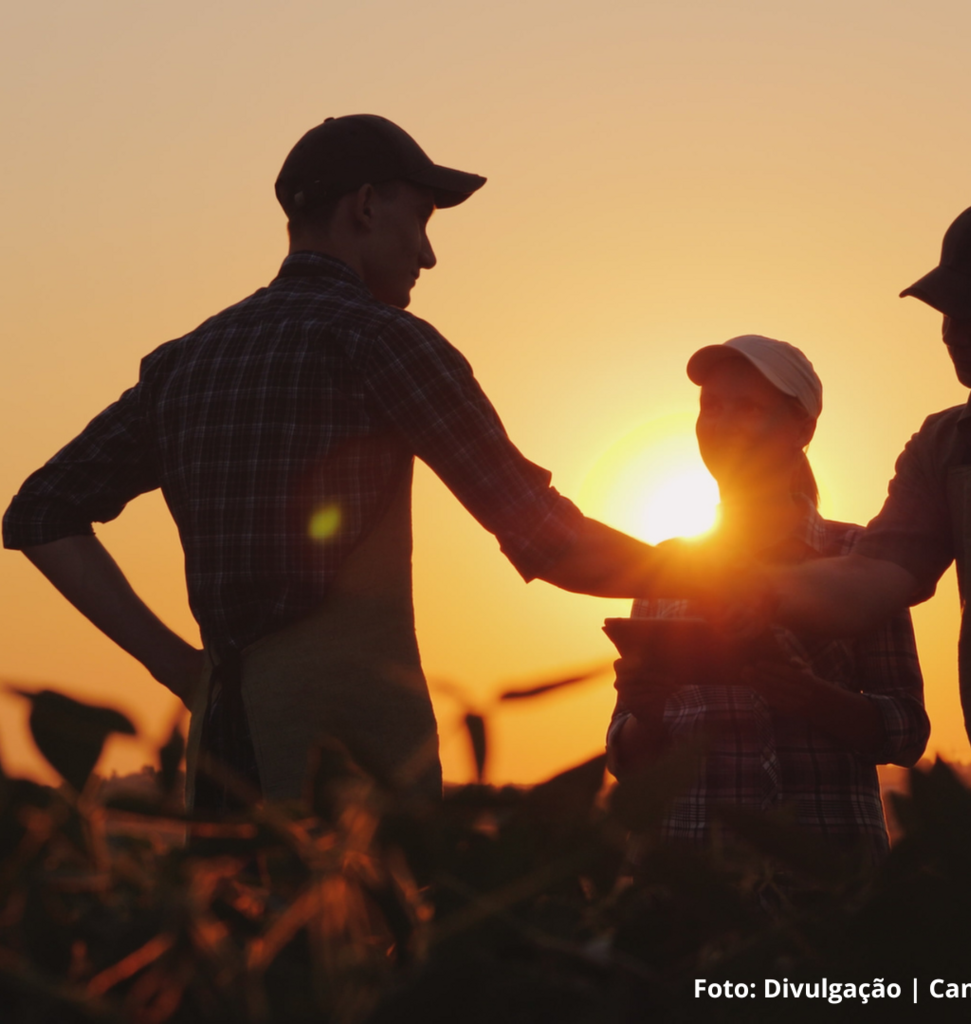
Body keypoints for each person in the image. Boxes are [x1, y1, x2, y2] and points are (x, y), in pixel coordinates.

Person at [2, 114, 686, 811]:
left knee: (232, 921)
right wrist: (716, 581)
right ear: (364, 206)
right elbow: (551, 540)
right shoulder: (383, 343)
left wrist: (180, 667)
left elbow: (40, 513)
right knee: (361, 921)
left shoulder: (186, 362)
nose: (427, 255)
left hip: (221, 757)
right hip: (355, 773)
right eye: (420, 219)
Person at [607, 336, 929, 863]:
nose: (723, 423)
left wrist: (812, 697)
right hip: (691, 880)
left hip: (828, 876)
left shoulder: (860, 558)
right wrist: (647, 711)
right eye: (711, 406)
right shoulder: (664, 567)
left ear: (803, 429)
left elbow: (907, 732)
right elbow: (627, 756)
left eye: (749, 407)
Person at [753, 198, 971, 805]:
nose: (954, 332)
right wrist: (741, 587)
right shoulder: (947, 445)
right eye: (946, 310)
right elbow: (873, 577)